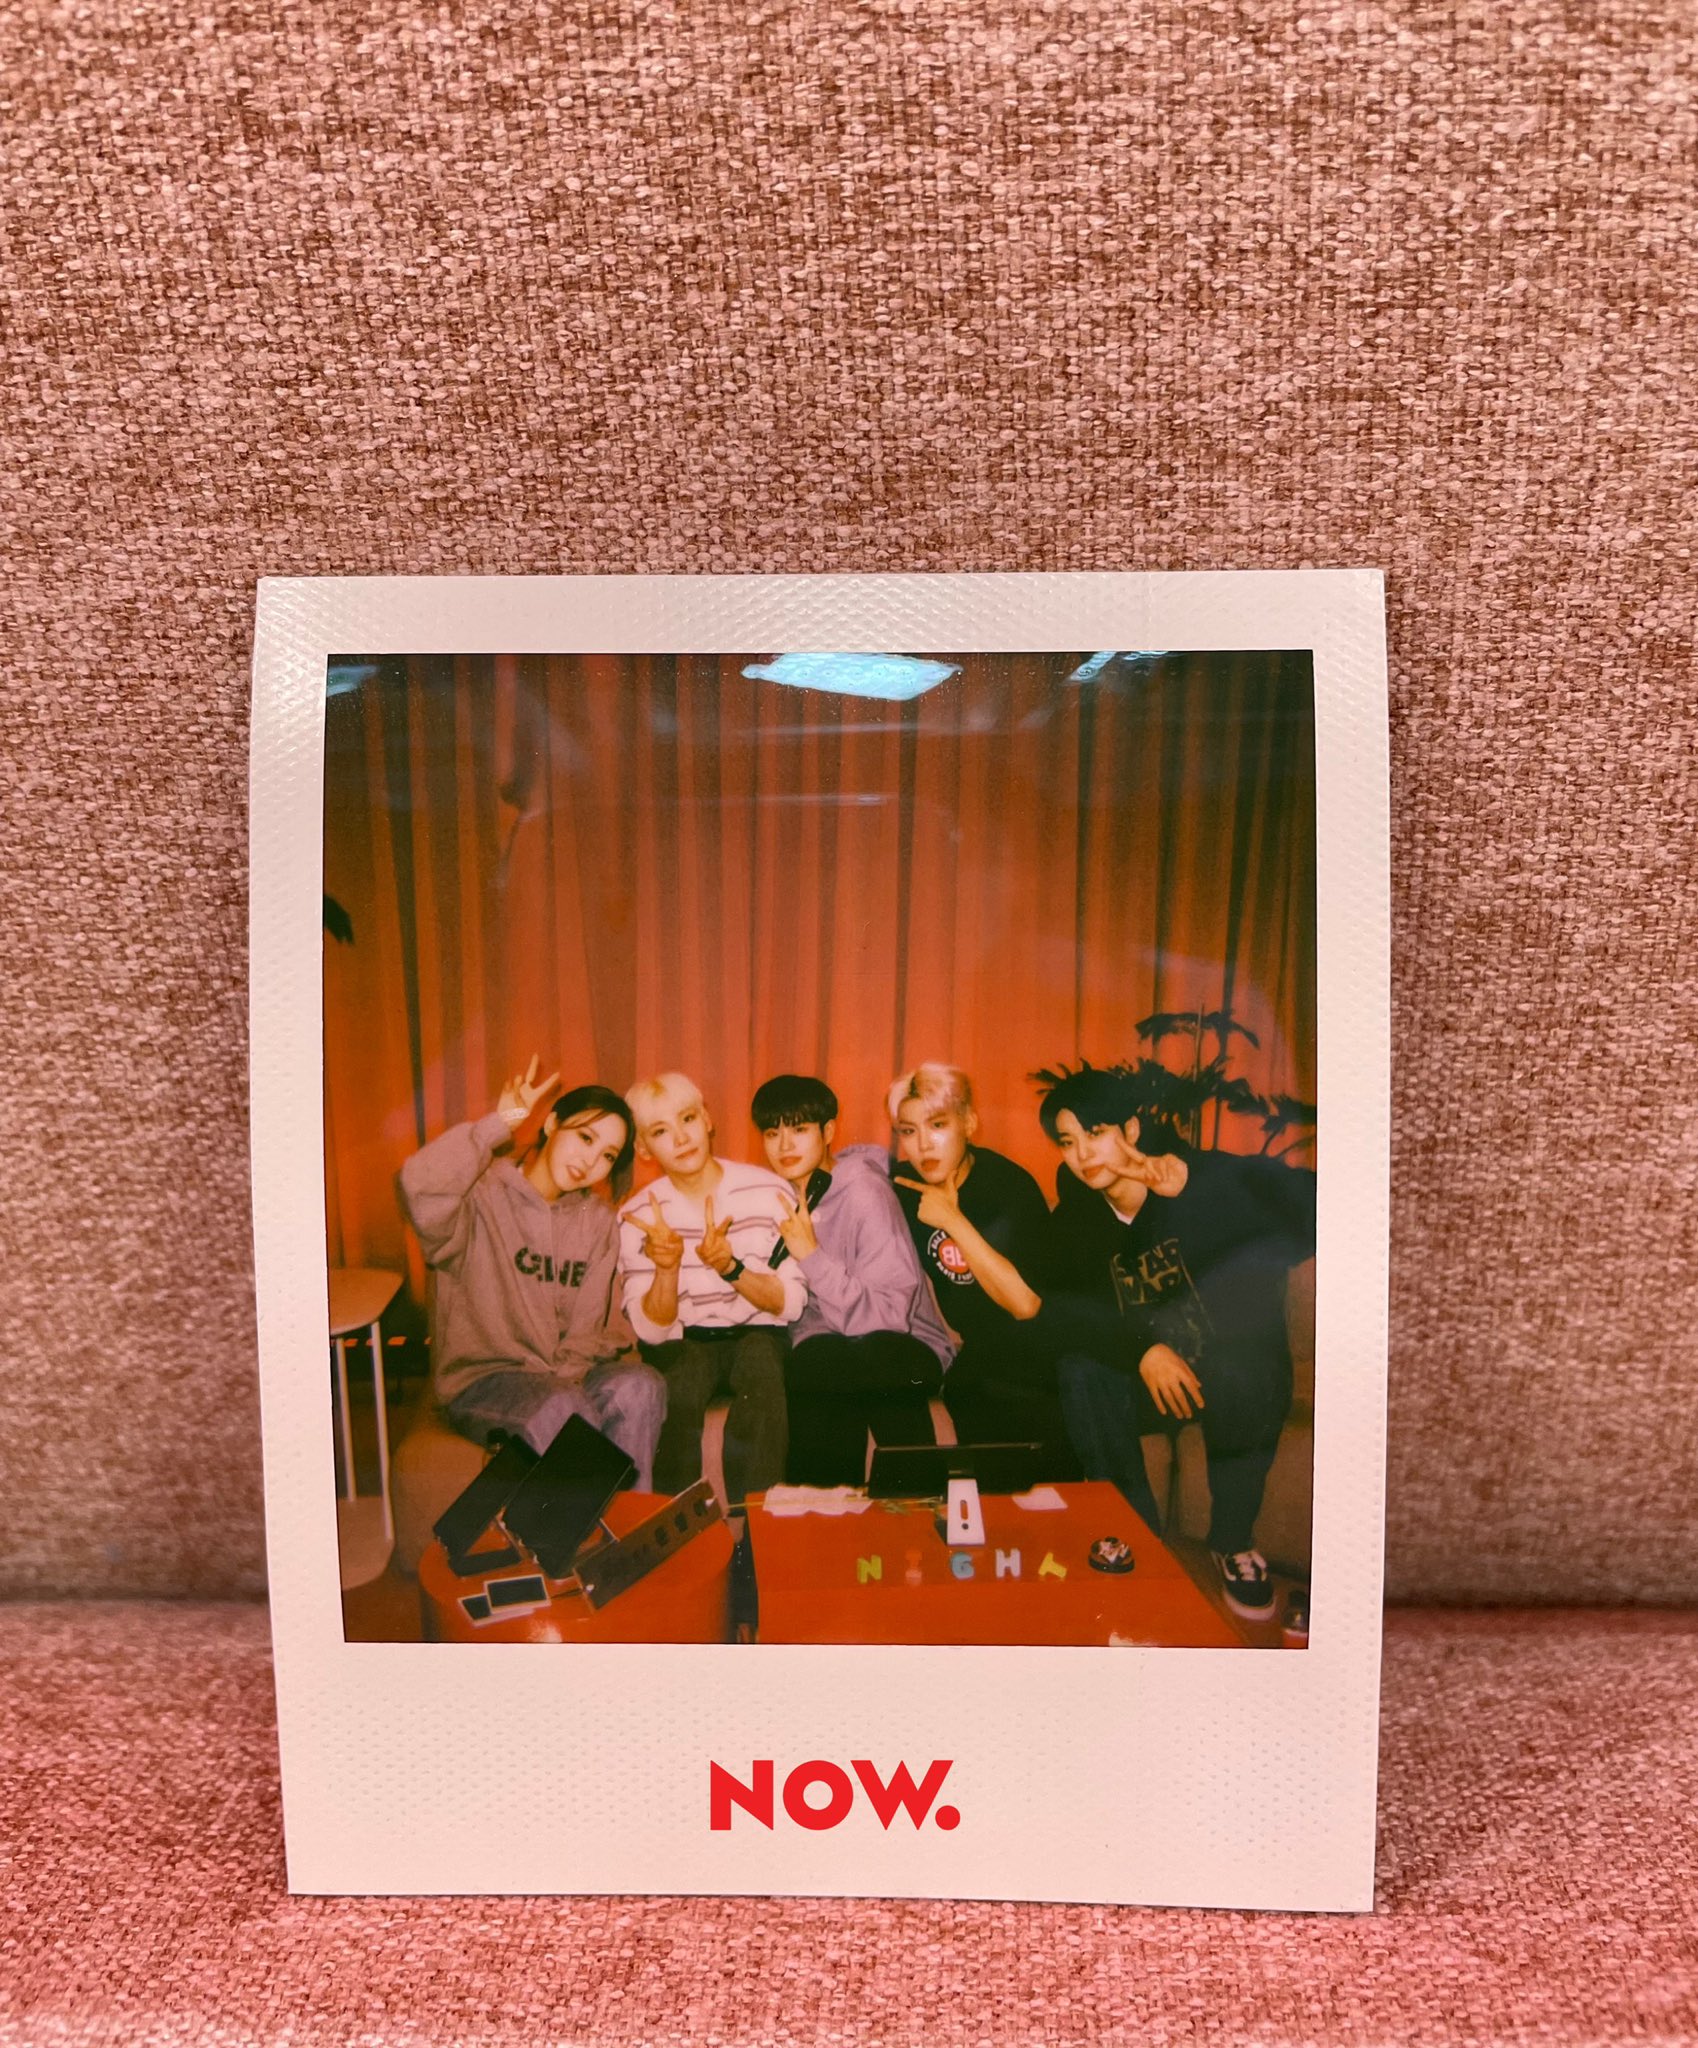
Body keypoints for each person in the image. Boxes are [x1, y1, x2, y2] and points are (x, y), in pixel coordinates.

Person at [1036, 1061, 1317, 1620]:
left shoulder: (1196, 1176)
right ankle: (1132, 1533)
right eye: (1068, 1141)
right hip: (1151, 1380)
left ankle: (1231, 1541)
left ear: (1131, 1130)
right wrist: (1142, 1351)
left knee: (1247, 1365)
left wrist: (1196, 1187)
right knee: (1081, 1368)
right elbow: (1067, 1311)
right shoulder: (1077, 1218)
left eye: (1096, 1132)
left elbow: (1312, 1210)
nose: (1083, 1154)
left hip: (1226, 1375)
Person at [397, 1056, 665, 1486]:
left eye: (607, 1155)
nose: (590, 1160)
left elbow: (587, 1327)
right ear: (552, 1123)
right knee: (561, 1407)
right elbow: (418, 1184)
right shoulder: (479, 1195)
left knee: (640, 1386)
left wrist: (568, 1382)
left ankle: (628, 1522)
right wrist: (500, 1123)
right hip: (486, 1379)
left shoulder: (597, 1221)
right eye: (585, 1137)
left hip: (563, 1378)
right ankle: (584, 1527)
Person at [752, 1073, 956, 1487]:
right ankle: (825, 1513)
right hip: (830, 1344)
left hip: (903, 1341)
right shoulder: (774, 1198)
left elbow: (888, 1316)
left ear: (828, 1132)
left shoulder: (865, 1192)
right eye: (773, 1133)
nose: (785, 1146)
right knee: (815, 1363)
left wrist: (811, 1256)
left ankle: (914, 1503)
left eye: (799, 1129)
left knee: (869, 1361)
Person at [616, 1071, 805, 1507]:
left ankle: (756, 1529)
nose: (681, 1138)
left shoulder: (769, 1191)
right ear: (643, 1148)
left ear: (707, 1120)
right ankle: (677, 1531)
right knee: (679, 1385)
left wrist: (730, 1268)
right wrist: (666, 1269)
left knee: (762, 1368)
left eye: (687, 1119)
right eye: (661, 1131)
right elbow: (652, 1332)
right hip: (684, 1340)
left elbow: (792, 1304)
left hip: (759, 1333)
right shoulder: (638, 1215)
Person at [887, 1062, 1077, 1476]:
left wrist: (952, 1220)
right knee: (967, 1384)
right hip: (982, 1351)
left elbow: (1026, 1306)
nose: (923, 1145)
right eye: (908, 1131)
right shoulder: (904, 1186)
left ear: (969, 1123)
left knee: (987, 1390)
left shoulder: (1007, 1187)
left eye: (938, 1125)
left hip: (1044, 1344)